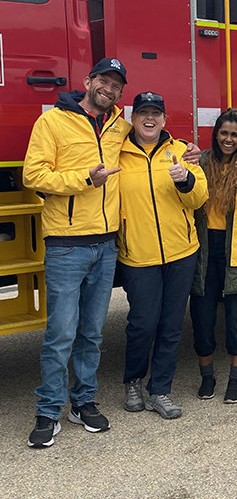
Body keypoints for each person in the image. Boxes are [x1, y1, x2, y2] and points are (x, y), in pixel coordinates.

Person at [23, 58, 130, 447]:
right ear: (88, 81)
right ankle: (49, 409)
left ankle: (83, 401)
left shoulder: (121, 126)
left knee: (91, 333)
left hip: (106, 244)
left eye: (116, 84)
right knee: (60, 334)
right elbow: (33, 175)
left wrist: (186, 152)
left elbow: (153, 143)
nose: (109, 88)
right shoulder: (53, 122)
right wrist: (85, 178)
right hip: (66, 245)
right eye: (104, 80)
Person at [116, 92, 208, 419]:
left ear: (165, 120)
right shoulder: (119, 154)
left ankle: (160, 390)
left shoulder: (181, 152)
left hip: (181, 252)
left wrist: (186, 181)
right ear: (133, 117)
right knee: (142, 322)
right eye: (143, 113)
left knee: (171, 324)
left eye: (156, 113)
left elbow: (200, 198)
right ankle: (133, 381)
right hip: (138, 255)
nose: (150, 119)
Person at [190, 108, 237, 404]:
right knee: (202, 314)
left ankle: (236, 380)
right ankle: (207, 376)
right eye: (224, 133)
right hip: (205, 248)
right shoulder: (203, 161)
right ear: (216, 134)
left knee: (236, 317)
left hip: (236, 248)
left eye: (235, 134)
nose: (229, 139)